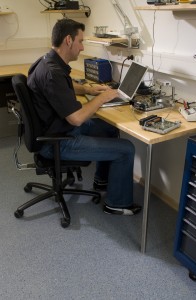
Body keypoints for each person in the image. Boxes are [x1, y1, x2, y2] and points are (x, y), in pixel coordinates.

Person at [27, 18, 141, 216]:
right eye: (80, 41)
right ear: (68, 40)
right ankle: (116, 204)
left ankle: (102, 180)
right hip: (57, 142)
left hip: (53, 130)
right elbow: (77, 119)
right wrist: (104, 97)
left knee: (109, 129)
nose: (81, 48)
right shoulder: (53, 73)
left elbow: (64, 86)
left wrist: (89, 89)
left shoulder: (46, 61)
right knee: (126, 149)